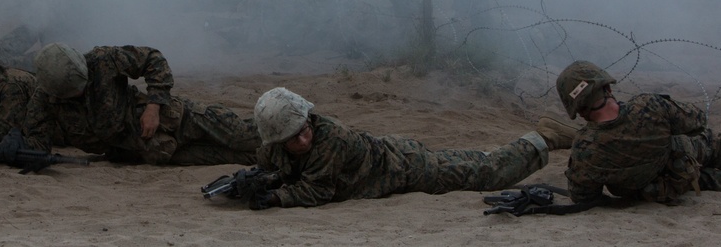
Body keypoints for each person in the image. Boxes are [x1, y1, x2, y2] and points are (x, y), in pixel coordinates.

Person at [245, 87, 578, 209]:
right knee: (475, 162)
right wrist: (254, 181)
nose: (303, 140)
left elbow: (318, 191)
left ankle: (545, 137)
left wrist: (275, 197)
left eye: (304, 130)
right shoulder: (273, 146)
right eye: (293, 139)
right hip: (395, 154)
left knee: (486, 174)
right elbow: (279, 169)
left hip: (406, 169)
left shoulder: (332, 137)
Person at [556, 60, 721, 205]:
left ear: (579, 109)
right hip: (683, 164)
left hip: (652, 191)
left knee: (683, 177)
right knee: (711, 143)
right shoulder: (648, 107)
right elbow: (697, 120)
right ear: (607, 87)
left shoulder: (584, 148)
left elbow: (583, 197)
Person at [23, 42, 260, 165]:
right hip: (153, 151)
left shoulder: (103, 59)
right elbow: (37, 142)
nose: (81, 91)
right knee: (245, 157)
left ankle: (294, 130)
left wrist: (153, 106)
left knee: (244, 137)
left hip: (175, 119)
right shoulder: (44, 100)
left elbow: (153, 59)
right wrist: (13, 150)